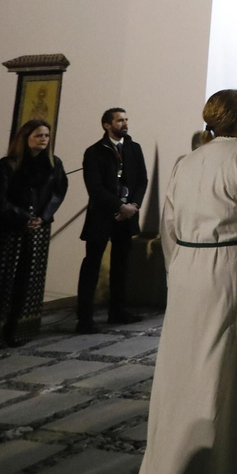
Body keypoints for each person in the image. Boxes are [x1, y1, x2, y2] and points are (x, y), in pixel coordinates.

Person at [136, 89, 237, 474]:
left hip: (190, 273)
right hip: (233, 275)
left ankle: (182, 462)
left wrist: (179, 272)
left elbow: (169, 228)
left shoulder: (186, 163)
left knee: (190, 370)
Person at [0, 120, 67, 349]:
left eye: (46, 135)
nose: (43, 139)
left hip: (38, 228)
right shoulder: (7, 164)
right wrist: (23, 217)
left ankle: (19, 332)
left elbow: (58, 192)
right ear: (26, 137)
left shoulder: (54, 163)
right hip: (10, 227)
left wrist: (43, 217)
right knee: (4, 280)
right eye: (38, 135)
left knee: (29, 280)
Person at [76, 108, 148, 333]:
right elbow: (95, 187)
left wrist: (133, 205)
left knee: (121, 264)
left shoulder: (134, 148)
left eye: (126, 119)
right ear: (107, 125)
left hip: (126, 215)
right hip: (102, 215)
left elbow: (142, 180)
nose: (125, 123)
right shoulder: (94, 152)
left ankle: (117, 311)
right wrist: (119, 206)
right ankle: (84, 318)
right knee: (92, 264)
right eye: (119, 120)